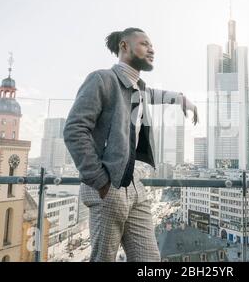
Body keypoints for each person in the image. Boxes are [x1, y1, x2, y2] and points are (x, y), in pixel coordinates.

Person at [63, 27, 198, 262]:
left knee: (149, 260)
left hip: (135, 184)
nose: (152, 49)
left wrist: (181, 98)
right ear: (124, 46)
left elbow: (153, 94)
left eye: (152, 45)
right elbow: (74, 130)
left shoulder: (138, 88)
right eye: (145, 43)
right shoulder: (102, 79)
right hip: (108, 184)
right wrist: (100, 181)